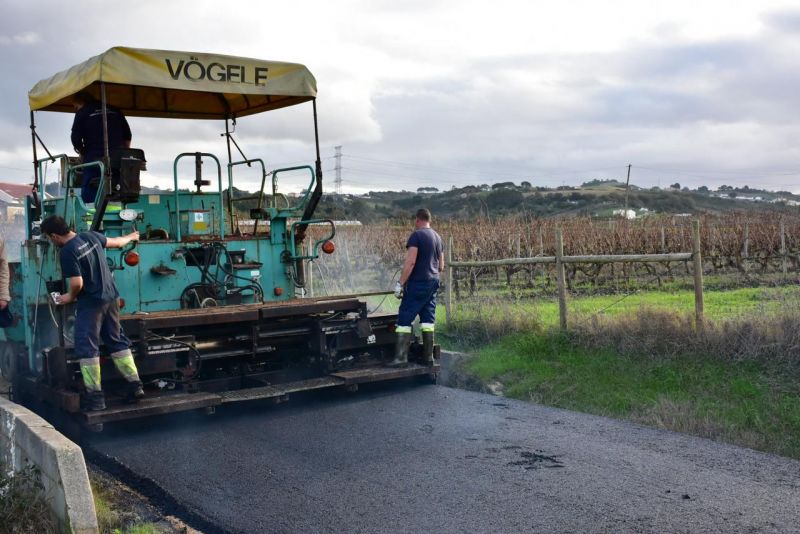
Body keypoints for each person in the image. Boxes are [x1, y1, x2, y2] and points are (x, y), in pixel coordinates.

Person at [41, 215, 143, 411]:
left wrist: (68, 297)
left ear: (54, 236)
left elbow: (77, 284)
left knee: (87, 348)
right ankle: (135, 385)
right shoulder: (91, 236)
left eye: (49, 238)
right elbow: (117, 242)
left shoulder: (67, 252)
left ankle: (96, 398)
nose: (51, 242)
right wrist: (131, 237)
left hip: (91, 303)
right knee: (116, 340)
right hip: (111, 297)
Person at [389, 208, 444, 367]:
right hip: (433, 282)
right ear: (429, 220)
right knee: (427, 319)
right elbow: (441, 266)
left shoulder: (417, 235)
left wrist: (400, 283)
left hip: (418, 282)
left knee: (405, 317)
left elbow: (411, 262)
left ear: (418, 220)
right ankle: (428, 358)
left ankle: (400, 358)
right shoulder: (438, 237)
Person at [71, 91, 132, 205]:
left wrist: (82, 153)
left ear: (80, 102)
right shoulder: (116, 110)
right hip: (118, 161)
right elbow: (127, 135)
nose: (76, 109)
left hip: (94, 160)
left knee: (90, 188)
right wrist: (124, 152)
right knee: (116, 186)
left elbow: (75, 139)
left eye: (76, 107)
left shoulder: (82, 113)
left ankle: (92, 214)